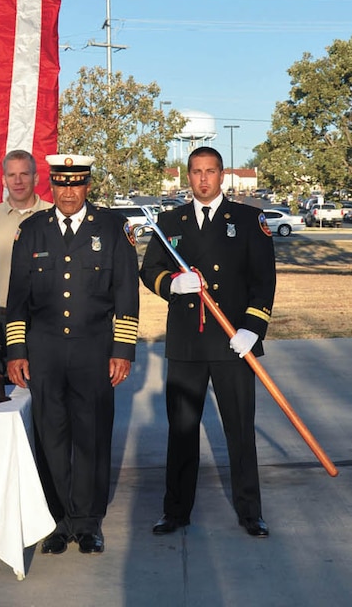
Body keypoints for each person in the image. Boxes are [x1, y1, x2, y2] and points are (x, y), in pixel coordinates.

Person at [6, 154, 139, 556]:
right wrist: (16, 349)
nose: (68, 193)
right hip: (44, 352)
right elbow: (17, 299)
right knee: (51, 434)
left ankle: (88, 521)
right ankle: (58, 521)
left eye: (76, 184)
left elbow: (126, 294)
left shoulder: (114, 229)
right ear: (52, 185)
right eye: (61, 184)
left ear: (87, 187)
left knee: (92, 435)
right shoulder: (31, 231)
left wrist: (123, 349)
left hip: (94, 351)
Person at [140, 146, 276, 538]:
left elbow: (263, 281)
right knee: (181, 431)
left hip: (235, 342)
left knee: (239, 430)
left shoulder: (250, 220)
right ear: (188, 176)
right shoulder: (170, 221)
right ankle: (175, 510)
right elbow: (150, 271)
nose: (203, 179)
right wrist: (173, 284)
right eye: (196, 172)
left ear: (222, 176)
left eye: (210, 171)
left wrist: (253, 328)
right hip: (187, 345)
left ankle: (251, 511)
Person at [0, 149, 51, 370]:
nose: (18, 181)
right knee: (3, 394)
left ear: (36, 178)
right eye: (12, 175)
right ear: (3, 180)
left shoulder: (53, 215)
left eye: (24, 174)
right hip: (1, 321)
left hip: (45, 319)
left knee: (45, 391)